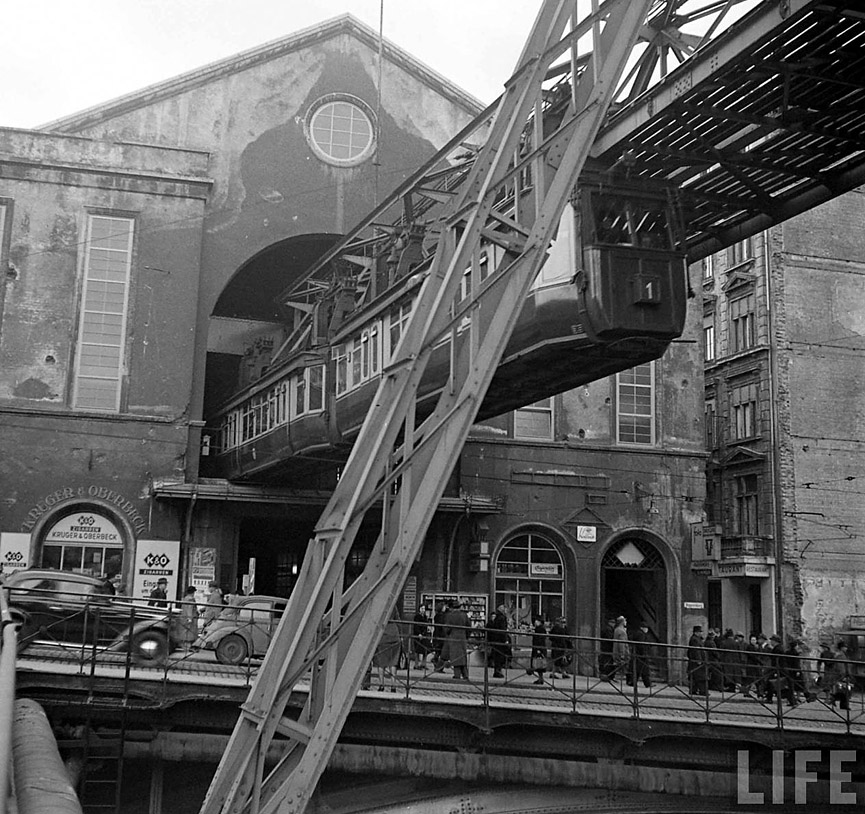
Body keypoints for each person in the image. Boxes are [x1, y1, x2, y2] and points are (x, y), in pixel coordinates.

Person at [441, 600, 470, 680]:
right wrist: (466, 636)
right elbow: (469, 627)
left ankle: (457, 674)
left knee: (455, 656)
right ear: (460, 607)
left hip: (453, 638)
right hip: (462, 638)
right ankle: (465, 674)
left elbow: (447, 628)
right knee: (463, 657)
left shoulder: (450, 615)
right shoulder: (464, 615)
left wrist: (448, 634)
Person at [373, 615, 403, 692]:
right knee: (393, 662)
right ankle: (393, 685)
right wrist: (401, 635)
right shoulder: (393, 606)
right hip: (394, 635)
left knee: (381, 661)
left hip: (382, 635)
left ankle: (381, 685)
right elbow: (398, 621)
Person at [826, 641, 853, 710]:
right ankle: (835, 699)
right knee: (844, 689)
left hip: (842, 674)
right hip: (841, 675)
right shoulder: (840, 655)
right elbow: (840, 666)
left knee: (844, 689)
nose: (846, 648)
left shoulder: (842, 655)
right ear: (842, 648)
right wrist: (843, 674)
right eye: (845, 647)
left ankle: (836, 699)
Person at [487, 605, 511, 679]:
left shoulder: (497, 618)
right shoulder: (502, 618)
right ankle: (498, 671)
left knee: (497, 656)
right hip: (500, 639)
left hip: (495, 639)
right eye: (505, 610)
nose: (506, 612)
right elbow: (503, 630)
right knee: (500, 656)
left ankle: (497, 670)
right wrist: (506, 640)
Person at [629, 621, 653, 689]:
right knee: (644, 670)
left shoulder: (638, 633)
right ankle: (647, 683)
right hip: (641, 655)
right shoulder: (641, 634)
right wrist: (644, 653)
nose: (647, 629)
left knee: (638, 670)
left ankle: (633, 682)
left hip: (637, 654)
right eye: (645, 628)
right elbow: (641, 645)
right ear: (642, 628)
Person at [687, 625, 707, 695]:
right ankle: (701, 691)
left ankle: (695, 690)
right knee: (699, 677)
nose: (701, 633)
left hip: (697, 661)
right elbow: (696, 650)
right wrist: (699, 659)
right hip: (696, 662)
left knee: (696, 677)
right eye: (700, 632)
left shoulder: (697, 639)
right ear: (696, 632)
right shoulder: (695, 639)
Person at [178, 585, 199, 651]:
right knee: (189, 632)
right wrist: (190, 618)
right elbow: (189, 608)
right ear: (192, 592)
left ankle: (185, 645)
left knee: (185, 631)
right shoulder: (190, 599)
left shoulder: (186, 598)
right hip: (190, 618)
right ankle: (188, 646)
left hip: (184, 617)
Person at [411, 605, 432, 670]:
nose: (423, 610)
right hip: (418, 634)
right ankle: (416, 664)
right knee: (417, 650)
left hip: (425, 634)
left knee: (425, 649)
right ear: (419, 609)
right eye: (422, 608)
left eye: (424, 608)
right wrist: (419, 633)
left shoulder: (425, 616)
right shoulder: (417, 616)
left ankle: (423, 663)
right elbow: (416, 625)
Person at [530, 616, 548, 685]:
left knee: (539, 663)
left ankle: (541, 679)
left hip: (539, 648)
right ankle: (540, 678)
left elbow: (540, 639)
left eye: (537, 621)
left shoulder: (540, 629)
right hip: (538, 648)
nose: (535, 622)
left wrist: (538, 649)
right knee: (538, 664)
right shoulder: (539, 628)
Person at [612, 616, 630, 681]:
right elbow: (622, 643)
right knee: (622, 664)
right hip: (621, 650)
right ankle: (619, 677)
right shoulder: (622, 631)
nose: (626, 622)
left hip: (615, 650)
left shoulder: (616, 629)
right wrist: (622, 653)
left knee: (617, 664)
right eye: (625, 621)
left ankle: (616, 676)